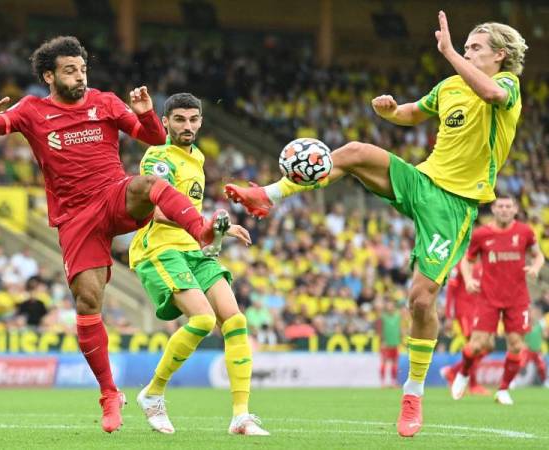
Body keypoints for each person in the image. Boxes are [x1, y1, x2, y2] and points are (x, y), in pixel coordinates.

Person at [225, 12, 527, 436]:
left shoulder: (508, 86)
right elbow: (413, 114)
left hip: (455, 205)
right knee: (353, 151)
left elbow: (493, 94)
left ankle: (413, 394)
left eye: (476, 47)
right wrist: (390, 112)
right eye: (467, 46)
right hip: (423, 180)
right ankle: (269, 195)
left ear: (500, 54)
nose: (468, 51)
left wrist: (448, 53)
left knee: (421, 300)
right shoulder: (449, 86)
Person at [0, 36, 225, 433]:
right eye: (70, 71)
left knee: (145, 183)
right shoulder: (32, 110)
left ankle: (199, 229)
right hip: (75, 217)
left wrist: (147, 114)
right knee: (87, 302)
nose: (80, 77)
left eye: (83, 69)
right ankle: (109, 394)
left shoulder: (104, 102)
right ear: (49, 75)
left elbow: (154, 138)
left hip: (113, 195)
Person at [129, 93, 269, 436]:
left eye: (193, 119)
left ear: (201, 121)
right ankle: (153, 393)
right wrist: (205, 226)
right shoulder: (158, 157)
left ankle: (241, 416)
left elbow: (191, 210)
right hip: (160, 247)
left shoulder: (199, 158)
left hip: (194, 248)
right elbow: (156, 209)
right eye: (179, 119)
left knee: (235, 321)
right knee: (204, 319)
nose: (187, 126)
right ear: (165, 122)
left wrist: (218, 228)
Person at [451, 196, 545, 404]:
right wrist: (467, 279)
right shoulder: (481, 234)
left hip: (517, 298)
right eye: (500, 206)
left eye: (508, 206)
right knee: (477, 345)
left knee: (515, 345)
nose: (504, 209)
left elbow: (539, 256)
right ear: (493, 209)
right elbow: (466, 261)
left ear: (515, 209)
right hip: (488, 298)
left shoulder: (525, 232)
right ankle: (464, 373)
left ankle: (502, 390)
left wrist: (536, 268)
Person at [439, 259, 490, 395]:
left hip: (478, 312)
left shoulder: (482, 264)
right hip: (464, 312)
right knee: (473, 346)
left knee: (488, 346)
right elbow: (451, 290)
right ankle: (473, 385)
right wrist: (449, 316)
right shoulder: (460, 264)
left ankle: (453, 371)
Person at [520, 305, 548, 388]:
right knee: (521, 364)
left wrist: (545, 332)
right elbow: (521, 336)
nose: (532, 314)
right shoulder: (525, 323)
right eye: (530, 312)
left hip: (537, 350)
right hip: (527, 349)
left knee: (542, 366)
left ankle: (545, 381)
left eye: (534, 312)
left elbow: (545, 335)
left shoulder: (540, 324)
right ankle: (513, 381)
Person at [378, 299, 402, 387]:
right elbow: (380, 330)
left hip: (395, 343)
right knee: (384, 362)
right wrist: (382, 341)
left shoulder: (398, 316)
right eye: (388, 306)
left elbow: (400, 329)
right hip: (386, 344)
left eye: (391, 306)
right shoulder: (383, 317)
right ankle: (383, 383)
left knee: (395, 363)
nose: (390, 307)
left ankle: (393, 382)